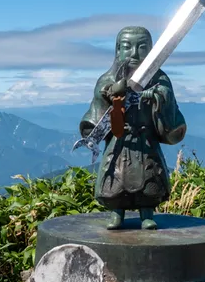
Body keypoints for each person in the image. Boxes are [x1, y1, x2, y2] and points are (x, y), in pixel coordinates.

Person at [79, 26, 186, 229]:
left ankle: (147, 214)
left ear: (152, 50)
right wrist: (102, 108)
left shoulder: (159, 80)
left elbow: (169, 110)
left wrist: (159, 96)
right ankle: (116, 214)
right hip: (118, 143)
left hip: (146, 141)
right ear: (118, 49)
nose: (134, 53)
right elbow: (96, 113)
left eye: (142, 47)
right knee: (114, 181)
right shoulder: (107, 81)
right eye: (127, 47)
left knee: (150, 179)